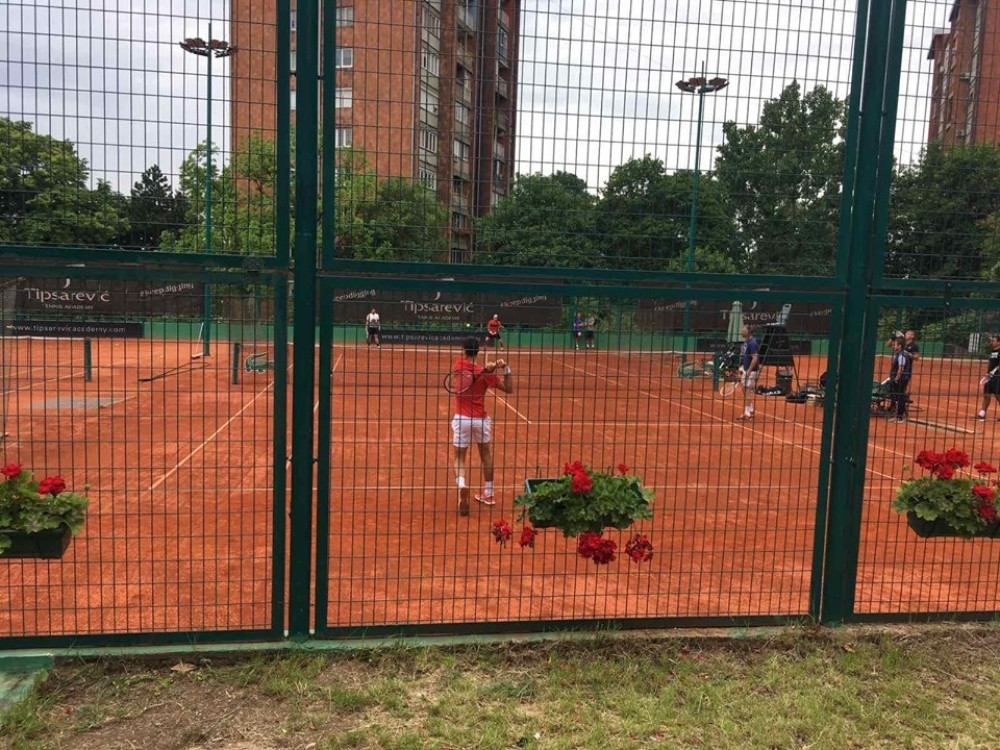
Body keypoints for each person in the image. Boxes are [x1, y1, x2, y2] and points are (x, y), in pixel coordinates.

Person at [451, 336, 513, 515]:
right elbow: (509, 389)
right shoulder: (485, 374)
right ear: (478, 352)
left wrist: (487, 369)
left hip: (462, 419)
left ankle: (462, 485)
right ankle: (489, 492)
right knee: (486, 455)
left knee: (459, 457)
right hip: (481, 420)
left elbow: (467, 378)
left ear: (464, 351)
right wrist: (505, 368)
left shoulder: (458, 367)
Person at [737, 325, 761, 421]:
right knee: (744, 389)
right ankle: (751, 410)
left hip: (752, 371)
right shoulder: (746, 342)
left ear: (749, 332)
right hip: (746, 369)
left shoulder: (752, 343)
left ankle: (747, 414)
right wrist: (742, 368)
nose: (741, 331)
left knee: (747, 390)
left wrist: (749, 371)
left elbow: (755, 358)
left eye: (743, 330)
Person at [976, 333, 1000, 421]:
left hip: (997, 377)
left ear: (999, 342)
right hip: (989, 376)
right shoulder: (992, 351)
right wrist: (988, 373)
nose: (992, 342)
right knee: (986, 395)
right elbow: (991, 364)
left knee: (998, 396)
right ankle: (982, 414)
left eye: (994, 341)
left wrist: (994, 372)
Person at [887, 335, 909, 423]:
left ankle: (900, 417)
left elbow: (901, 368)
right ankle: (898, 416)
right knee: (898, 397)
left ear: (899, 346)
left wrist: (897, 377)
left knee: (900, 397)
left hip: (901, 379)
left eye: (895, 345)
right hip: (900, 378)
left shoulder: (901, 355)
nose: (893, 346)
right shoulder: (900, 354)